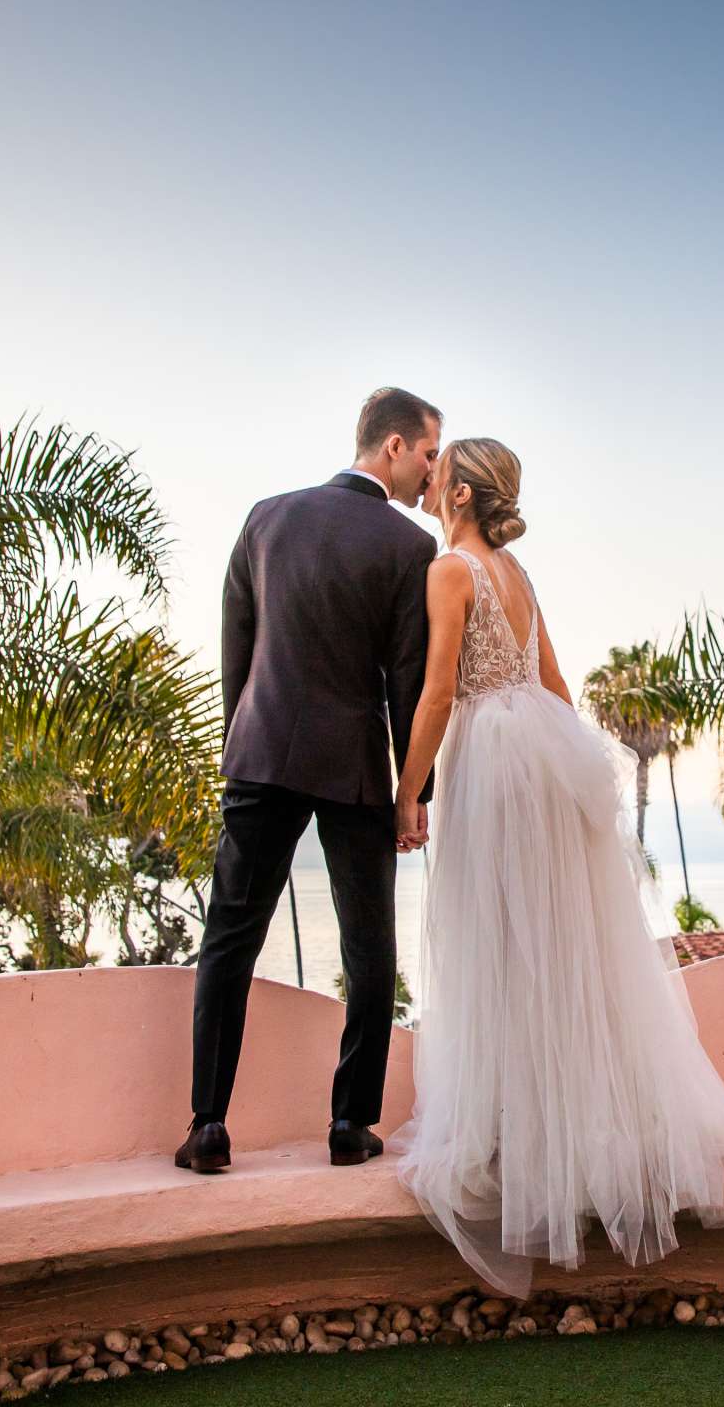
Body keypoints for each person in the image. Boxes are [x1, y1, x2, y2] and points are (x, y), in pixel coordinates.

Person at [390, 436, 724, 1295]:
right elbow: (555, 685)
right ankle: (565, 1140)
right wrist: (577, 780)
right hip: (541, 760)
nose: (431, 478)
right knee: (554, 949)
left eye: (443, 471)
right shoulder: (520, 579)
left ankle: (511, 1145)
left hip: (489, 760)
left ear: (464, 494)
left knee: (497, 943)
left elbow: (440, 692)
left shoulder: (451, 572)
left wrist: (410, 792)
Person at [178, 387, 441, 1174]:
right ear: (392, 447)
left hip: (261, 752)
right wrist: (411, 796)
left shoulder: (267, 517)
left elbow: (238, 643)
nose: (432, 472)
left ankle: (207, 1127)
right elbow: (406, 682)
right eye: (429, 452)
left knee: (229, 939)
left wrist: (243, 739)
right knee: (369, 949)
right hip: (354, 766)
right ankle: (350, 1123)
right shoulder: (408, 549)